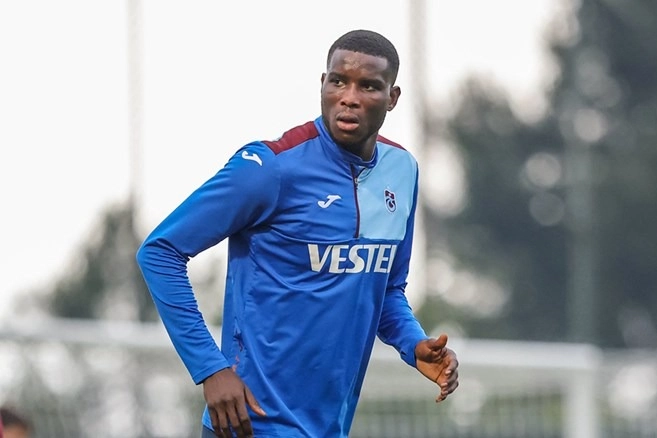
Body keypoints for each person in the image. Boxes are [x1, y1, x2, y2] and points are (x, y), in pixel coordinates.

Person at [137, 29, 459, 438]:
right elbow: (160, 252)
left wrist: (414, 345)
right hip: (250, 425)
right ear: (322, 84)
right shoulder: (269, 167)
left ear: (392, 97)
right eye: (338, 81)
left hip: (328, 427)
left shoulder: (402, 171)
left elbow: (385, 287)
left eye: (368, 86)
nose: (349, 97)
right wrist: (210, 368)